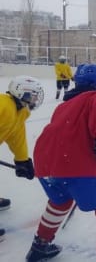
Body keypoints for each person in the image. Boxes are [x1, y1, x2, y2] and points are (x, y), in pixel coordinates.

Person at [26, 64, 96, 262]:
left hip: (45, 162)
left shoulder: (64, 106)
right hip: (73, 164)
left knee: (60, 202)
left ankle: (39, 247)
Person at [0, 76, 44, 241]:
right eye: (33, 95)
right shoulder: (3, 105)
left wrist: (22, 159)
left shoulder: (20, 111)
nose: (35, 99)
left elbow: (16, 136)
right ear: (21, 93)